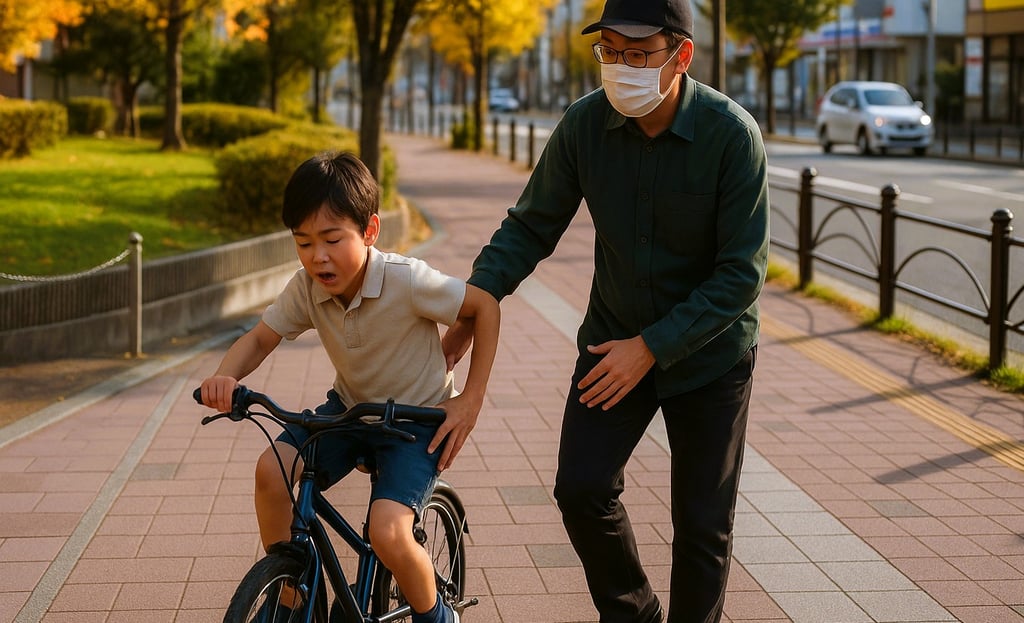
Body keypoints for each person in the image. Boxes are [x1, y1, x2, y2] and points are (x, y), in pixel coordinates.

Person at [442, 0, 769, 621]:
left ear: (682, 55)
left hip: (710, 355)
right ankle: (635, 614)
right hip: (612, 338)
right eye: (610, 51)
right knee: (581, 488)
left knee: (702, 525)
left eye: (639, 54)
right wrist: (471, 309)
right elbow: (529, 227)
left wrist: (650, 348)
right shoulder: (585, 125)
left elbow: (741, 276)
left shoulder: (732, 136)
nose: (621, 66)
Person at [198, 151, 499, 623]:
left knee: (388, 530)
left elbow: (485, 309)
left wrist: (470, 400)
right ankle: (292, 596)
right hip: (351, 410)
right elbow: (260, 337)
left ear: (370, 231)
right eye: (303, 242)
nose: (318, 256)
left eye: (332, 239)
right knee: (271, 472)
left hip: (416, 423)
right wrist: (226, 377)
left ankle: (439, 616)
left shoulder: (406, 280)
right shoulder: (306, 287)